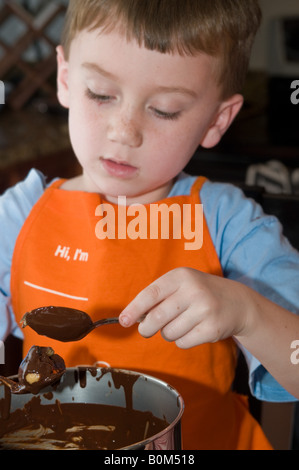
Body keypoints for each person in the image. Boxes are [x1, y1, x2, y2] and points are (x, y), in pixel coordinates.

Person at [1, 0, 299, 449]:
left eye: (164, 110)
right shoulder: (19, 216)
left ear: (217, 120)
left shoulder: (228, 226)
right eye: (100, 94)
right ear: (65, 79)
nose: (124, 131)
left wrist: (248, 313)